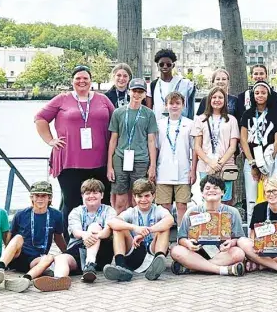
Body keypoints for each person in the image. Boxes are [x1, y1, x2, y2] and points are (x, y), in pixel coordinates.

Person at [35, 65, 114, 235]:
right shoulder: (62, 99)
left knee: (102, 202)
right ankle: (70, 241)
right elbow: (40, 118)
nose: (81, 81)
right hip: (70, 161)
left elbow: (116, 123)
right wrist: (50, 140)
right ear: (72, 81)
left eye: (85, 78)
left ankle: (101, 240)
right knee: (71, 202)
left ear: (91, 81)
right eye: (78, 78)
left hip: (100, 161)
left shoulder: (102, 99)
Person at [0, 182, 69, 293]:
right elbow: (9, 239)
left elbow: (58, 237)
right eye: (37, 195)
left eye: (43, 196)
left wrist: (67, 252)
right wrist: (8, 255)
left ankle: (26, 279)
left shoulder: (57, 215)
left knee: (49, 258)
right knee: (18, 238)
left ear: (49, 198)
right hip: (18, 256)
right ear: (31, 197)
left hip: (35, 260)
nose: (40, 199)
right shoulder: (21, 214)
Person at [170, 175, 247, 277]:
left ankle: (192, 267)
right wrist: (188, 243)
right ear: (202, 193)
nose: (211, 190)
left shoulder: (232, 212)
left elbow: (238, 237)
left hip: (220, 253)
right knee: (175, 251)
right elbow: (181, 238)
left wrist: (231, 243)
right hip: (196, 252)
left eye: (216, 188)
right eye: (207, 188)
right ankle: (222, 270)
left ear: (223, 192)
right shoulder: (192, 211)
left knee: (239, 253)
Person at [102, 179, 174, 282]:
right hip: (135, 250)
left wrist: (148, 230)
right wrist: (135, 228)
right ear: (134, 197)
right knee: (119, 228)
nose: (143, 200)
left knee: (164, 228)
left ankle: (157, 266)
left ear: (153, 196)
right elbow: (112, 222)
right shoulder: (131, 211)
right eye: (139, 196)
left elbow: (170, 220)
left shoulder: (158, 209)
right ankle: (121, 267)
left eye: (147, 196)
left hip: (153, 251)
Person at [107, 78, 158, 214]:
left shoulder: (149, 114)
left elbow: (151, 141)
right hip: (120, 158)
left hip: (141, 159)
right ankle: (119, 225)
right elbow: (113, 140)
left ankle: (138, 225)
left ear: (144, 94)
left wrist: (152, 166)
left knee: (139, 198)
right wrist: (109, 166)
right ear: (129, 92)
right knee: (120, 199)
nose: (137, 94)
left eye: (140, 92)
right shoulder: (118, 112)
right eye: (134, 91)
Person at [240, 80, 277, 225]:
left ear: (268, 95)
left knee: (272, 197)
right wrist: (253, 163)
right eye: (257, 93)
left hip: (270, 162)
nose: (260, 95)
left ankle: (271, 231)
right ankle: (252, 233)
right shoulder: (247, 114)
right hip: (251, 161)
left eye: (263, 93)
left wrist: (266, 166)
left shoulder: (275, 114)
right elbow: (243, 139)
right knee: (252, 200)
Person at [58, 178, 116, 283]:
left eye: (95, 192)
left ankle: (90, 264)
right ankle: (59, 281)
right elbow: (76, 232)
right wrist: (86, 235)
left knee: (94, 226)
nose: (91, 196)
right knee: (61, 258)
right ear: (82, 196)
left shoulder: (109, 210)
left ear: (102, 195)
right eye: (87, 193)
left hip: (101, 251)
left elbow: (107, 231)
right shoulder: (76, 212)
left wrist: (94, 235)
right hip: (79, 248)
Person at [192, 86, 240, 205]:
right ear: (209, 99)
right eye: (214, 97)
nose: (217, 100)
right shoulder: (200, 119)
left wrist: (219, 164)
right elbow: (197, 146)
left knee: (225, 200)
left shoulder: (231, 120)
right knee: (208, 199)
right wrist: (210, 162)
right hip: (206, 166)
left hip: (226, 166)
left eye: (220, 97)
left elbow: (233, 147)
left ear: (225, 100)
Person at [156, 91, 195, 224]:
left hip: (183, 170)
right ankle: (164, 233)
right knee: (164, 206)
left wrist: (193, 170)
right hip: (163, 170)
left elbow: (194, 149)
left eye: (177, 103)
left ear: (183, 105)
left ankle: (181, 233)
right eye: (171, 103)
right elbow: (155, 148)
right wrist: (152, 167)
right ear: (166, 106)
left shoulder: (190, 124)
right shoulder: (159, 124)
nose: (174, 106)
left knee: (182, 205)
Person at [146, 48, 197, 120]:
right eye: (161, 64)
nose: (165, 66)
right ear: (158, 66)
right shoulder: (152, 85)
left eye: (168, 64)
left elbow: (190, 106)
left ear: (173, 65)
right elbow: (149, 111)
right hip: (159, 124)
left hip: (181, 124)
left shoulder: (185, 84)